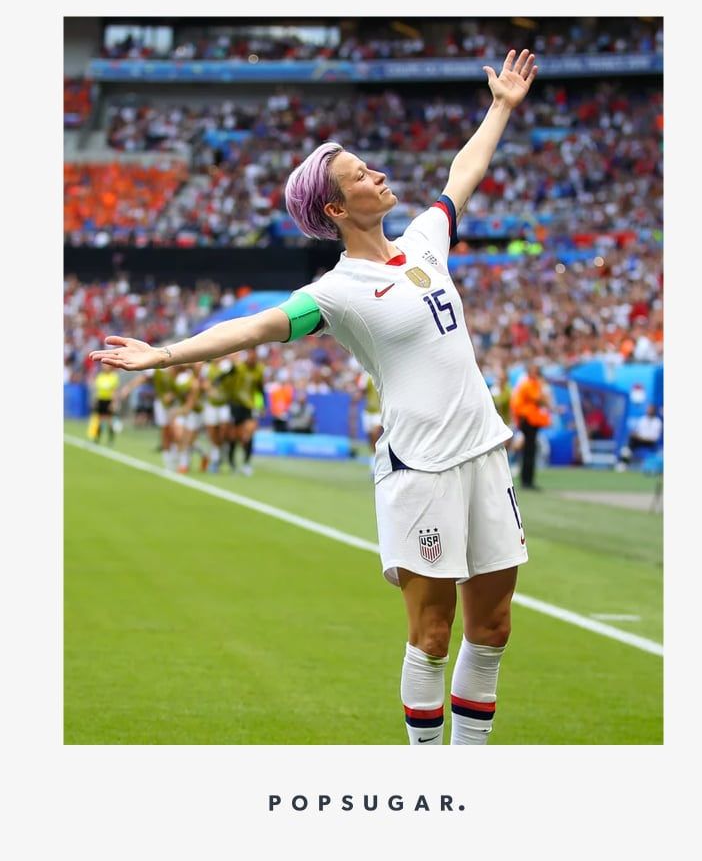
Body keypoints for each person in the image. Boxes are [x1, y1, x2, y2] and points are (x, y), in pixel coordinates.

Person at [90, 48, 537, 746]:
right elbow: (259, 326)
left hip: (485, 454)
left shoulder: (425, 243)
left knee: (495, 628)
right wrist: (167, 353)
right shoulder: (333, 294)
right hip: (419, 472)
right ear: (337, 206)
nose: (378, 174)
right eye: (361, 174)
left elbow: (463, 174)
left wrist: (502, 107)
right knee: (431, 633)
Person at [509, 363, 552, 490]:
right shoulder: (528, 384)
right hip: (528, 420)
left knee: (530, 450)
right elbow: (539, 399)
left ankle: (527, 480)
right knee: (529, 450)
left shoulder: (529, 384)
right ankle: (527, 481)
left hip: (529, 420)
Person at [227, 349, 266, 475]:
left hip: (249, 406)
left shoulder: (259, 370)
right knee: (234, 436)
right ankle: (232, 463)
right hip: (235, 405)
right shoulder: (238, 368)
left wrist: (261, 405)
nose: (252, 359)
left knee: (248, 434)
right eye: (250, 356)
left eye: (254, 357)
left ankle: (246, 463)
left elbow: (260, 390)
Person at [87, 365, 120, 444]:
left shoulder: (114, 376)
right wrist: (95, 400)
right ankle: (97, 438)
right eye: (104, 366)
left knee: (110, 421)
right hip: (100, 400)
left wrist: (114, 402)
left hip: (109, 400)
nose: (105, 367)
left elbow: (114, 390)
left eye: (107, 366)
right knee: (99, 421)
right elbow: (97, 389)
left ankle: (111, 439)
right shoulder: (100, 376)